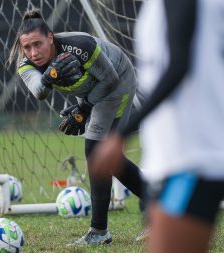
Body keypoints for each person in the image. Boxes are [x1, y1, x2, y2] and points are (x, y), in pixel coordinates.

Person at [90, 0, 224, 252]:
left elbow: (178, 68)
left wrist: (121, 135)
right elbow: (214, 74)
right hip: (187, 156)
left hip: (194, 159)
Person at [9, 9, 146, 246]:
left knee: (96, 151)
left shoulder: (79, 45)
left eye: (38, 44)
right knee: (105, 155)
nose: (33, 52)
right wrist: (51, 76)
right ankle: (158, 201)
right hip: (95, 93)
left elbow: (110, 80)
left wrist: (84, 109)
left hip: (119, 80)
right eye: (27, 48)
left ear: (50, 38)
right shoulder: (26, 65)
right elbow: (40, 92)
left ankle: (99, 231)